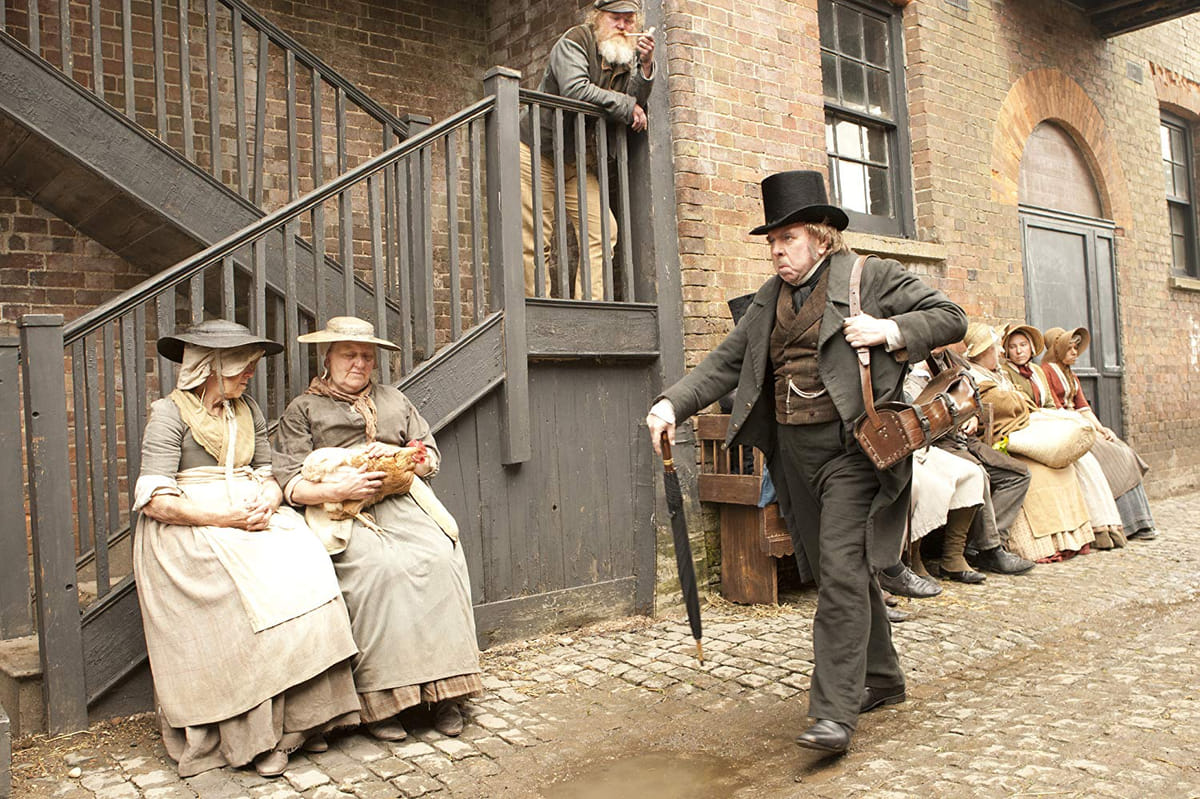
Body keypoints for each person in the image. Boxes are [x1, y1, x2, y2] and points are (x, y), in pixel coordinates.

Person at [646, 170, 968, 754]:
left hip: (853, 452)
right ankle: (883, 678)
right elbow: (726, 362)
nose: (776, 251)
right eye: (771, 241)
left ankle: (833, 715)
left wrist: (890, 329)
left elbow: (950, 316)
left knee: (841, 570)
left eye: (787, 238)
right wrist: (672, 403)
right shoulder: (769, 298)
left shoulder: (871, 276)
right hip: (792, 456)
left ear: (821, 237)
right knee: (836, 570)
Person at [132, 320, 360, 778]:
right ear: (211, 366)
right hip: (191, 526)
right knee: (242, 598)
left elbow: (269, 473)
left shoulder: (246, 409)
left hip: (250, 513)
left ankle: (305, 721)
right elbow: (156, 500)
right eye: (242, 365)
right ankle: (255, 737)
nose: (250, 374)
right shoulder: (169, 414)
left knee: (307, 563)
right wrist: (224, 518)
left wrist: (270, 501)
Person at [274, 317, 482, 743]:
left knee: (438, 558)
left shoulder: (394, 400)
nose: (359, 363)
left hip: (404, 501)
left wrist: (401, 456)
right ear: (327, 358)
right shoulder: (303, 410)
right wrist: (336, 487)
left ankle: (444, 695)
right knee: (378, 571)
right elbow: (288, 481)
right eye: (349, 354)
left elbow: (429, 456)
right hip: (342, 511)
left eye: (367, 356)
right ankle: (385, 703)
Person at [519, 0, 655, 299]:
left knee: (603, 231)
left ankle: (591, 308)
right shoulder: (575, 40)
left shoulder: (623, 55)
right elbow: (575, 89)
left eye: (629, 20)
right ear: (597, 17)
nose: (623, 26)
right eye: (615, 18)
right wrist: (627, 106)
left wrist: (645, 66)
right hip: (538, 148)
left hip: (579, 157)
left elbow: (634, 100)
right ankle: (537, 310)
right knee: (536, 237)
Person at [962, 323, 1095, 562]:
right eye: (999, 347)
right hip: (1002, 438)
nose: (1003, 352)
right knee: (1035, 473)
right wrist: (1018, 401)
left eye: (1022, 345)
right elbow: (1008, 406)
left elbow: (1028, 403)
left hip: (1024, 431)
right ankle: (1022, 545)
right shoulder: (975, 377)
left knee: (1064, 467)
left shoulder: (1001, 373)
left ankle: (1069, 538)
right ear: (984, 352)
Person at [905, 347, 1035, 576]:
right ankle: (989, 549)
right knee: (977, 473)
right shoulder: (909, 371)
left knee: (1018, 474)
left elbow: (972, 396)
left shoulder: (950, 362)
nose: (940, 343)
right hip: (938, 444)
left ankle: (985, 544)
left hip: (967, 440)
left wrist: (973, 416)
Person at [1040, 326, 1158, 541]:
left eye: (1076, 348)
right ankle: (1129, 523)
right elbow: (1055, 410)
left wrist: (1100, 428)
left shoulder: (1070, 374)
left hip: (1082, 424)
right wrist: (1087, 429)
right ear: (1058, 349)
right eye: (1069, 348)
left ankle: (1141, 520)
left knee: (1122, 449)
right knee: (1112, 457)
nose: (1075, 352)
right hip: (1067, 428)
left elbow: (1082, 406)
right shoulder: (1046, 372)